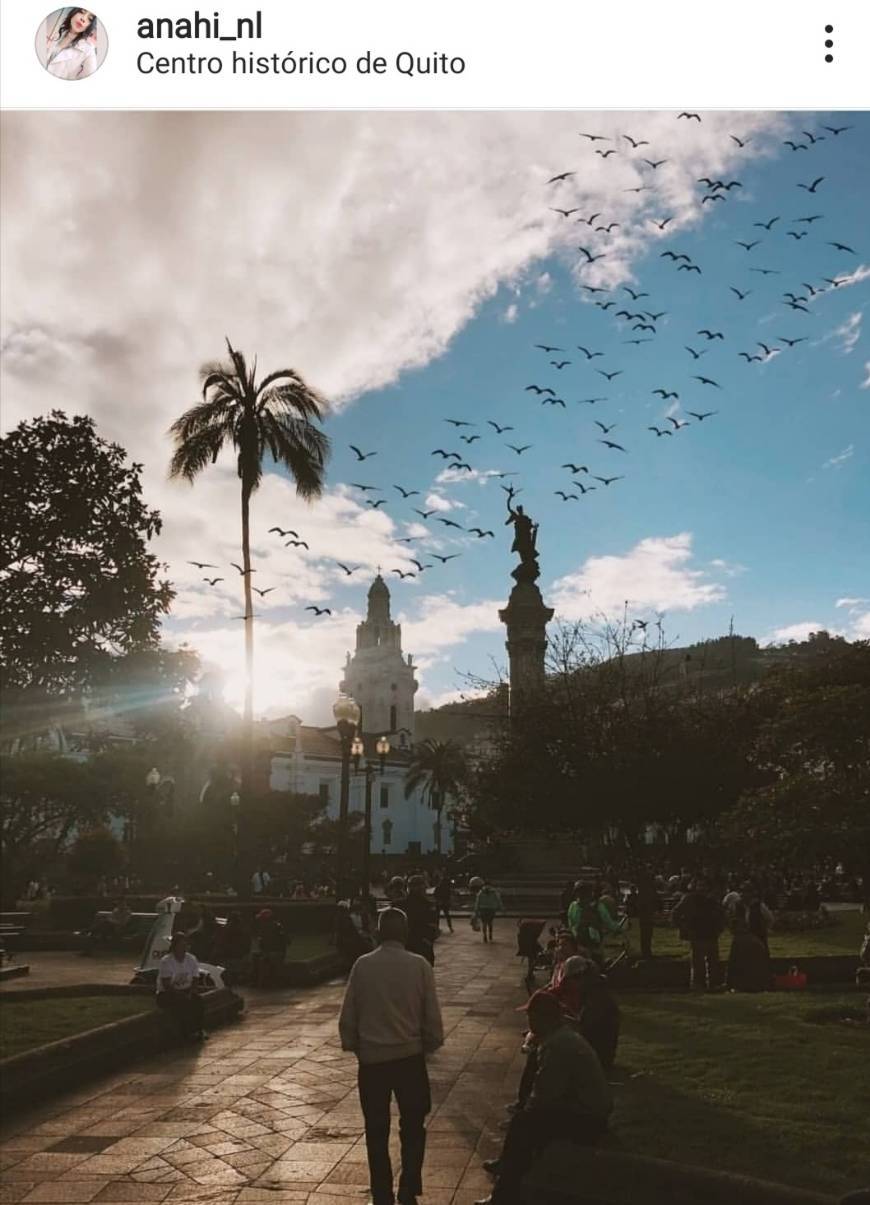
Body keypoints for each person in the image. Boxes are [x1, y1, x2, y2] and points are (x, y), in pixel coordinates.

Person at [339, 908, 444, 1205]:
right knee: (413, 1126)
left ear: (378, 932)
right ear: (406, 934)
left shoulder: (363, 966)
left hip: (372, 1061)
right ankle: (408, 1187)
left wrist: (356, 1045)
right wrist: (429, 1043)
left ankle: (381, 1192)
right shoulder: (419, 965)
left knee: (376, 1129)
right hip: (409, 1058)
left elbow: (348, 1017)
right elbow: (432, 1019)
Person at [476, 991, 611, 1205]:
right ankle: (507, 1173)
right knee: (523, 1122)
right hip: (587, 1109)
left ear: (542, 1018)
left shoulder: (557, 1046)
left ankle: (504, 1194)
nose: (528, 1022)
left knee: (523, 1126)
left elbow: (545, 1096)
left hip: (587, 1118)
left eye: (530, 1016)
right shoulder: (562, 1037)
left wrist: (525, 1113)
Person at [671, 878, 726, 991]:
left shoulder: (712, 900)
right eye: (700, 885)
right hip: (697, 935)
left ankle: (713, 983)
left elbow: (721, 914)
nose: (702, 888)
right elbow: (675, 913)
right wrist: (684, 929)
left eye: (704, 885)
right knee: (698, 963)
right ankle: (698, 984)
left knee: (713, 962)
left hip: (711, 934)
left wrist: (719, 928)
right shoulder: (689, 899)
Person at [156, 932, 207, 1041]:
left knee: (198, 1002)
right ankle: (185, 1033)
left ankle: (199, 1029)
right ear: (174, 946)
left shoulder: (191, 959)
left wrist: (192, 991)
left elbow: (195, 977)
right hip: (168, 993)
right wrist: (181, 994)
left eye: (186, 945)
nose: (184, 948)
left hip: (186, 990)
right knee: (182, 1004)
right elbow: (166, 984)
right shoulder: (167, 961)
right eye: (181, 945)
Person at [42, 9, 99, 80]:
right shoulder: (61, 33)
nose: (83, 19)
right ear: (73, 13)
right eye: (82, 12)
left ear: (89, 26)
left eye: (90, 19)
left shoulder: (88, 49)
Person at [394, 875, 438, 965]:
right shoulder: (429, 906)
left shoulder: (399, 904)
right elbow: (433, 929)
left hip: (403, 946)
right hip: (423, 947)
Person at [726, 916, 770, 993]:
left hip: (745, 981)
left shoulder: (738, 941)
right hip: (760, 980)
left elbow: (732, 963)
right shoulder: (755, 939)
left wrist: (729, 983)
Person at [251, 909, 287, 988]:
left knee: (258, 959)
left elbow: (262, 944)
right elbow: (287, 941)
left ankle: (258, 982)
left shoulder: (266, 928)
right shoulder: (277, 925)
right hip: (279, 952)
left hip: (273, 952)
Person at [473, 879, 504, 943]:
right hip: (491, 909)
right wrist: (501, 908)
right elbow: (498, 900)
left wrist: (476, 910)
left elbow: (477, 901)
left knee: (484, 923)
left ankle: (485, 936)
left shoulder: (481, 892)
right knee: (490, 923)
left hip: (483, 909)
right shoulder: (494, 892)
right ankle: (490, 934)